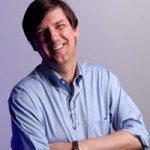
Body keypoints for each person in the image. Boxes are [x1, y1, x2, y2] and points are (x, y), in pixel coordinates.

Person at [8, 0, 149, 149]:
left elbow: (140, 136)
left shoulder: (102, 79)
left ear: (75, 29)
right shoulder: (24, 97)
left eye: (59, 26)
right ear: (34, 44)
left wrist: (74, 147)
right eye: (42, 33)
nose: (54, 37)